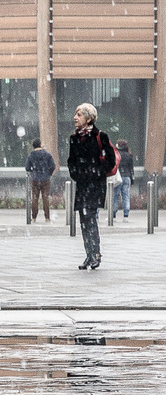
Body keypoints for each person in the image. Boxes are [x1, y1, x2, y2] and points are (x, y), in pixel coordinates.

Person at [67, 102, 115, 270]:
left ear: (88, 118)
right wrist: (76, 173)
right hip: (82, 185)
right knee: (83, 220)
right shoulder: (74, 138)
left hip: (95, 185)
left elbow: (110, 161)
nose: (75, 118)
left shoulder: (100, 136)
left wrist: (94, 173)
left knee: (90, 219)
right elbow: (71, 161)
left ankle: (95, 255)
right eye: (76, 114)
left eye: (79, 115)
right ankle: (89, 255)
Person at [25, 137, 56, 222]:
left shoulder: (31, 155)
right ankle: (47, 217)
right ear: (40, 144)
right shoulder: (47, 154)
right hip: (45, 179)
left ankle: (34, 217)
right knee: (45, 198)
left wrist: (33, 172)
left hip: (35, 179)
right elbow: (53, 166)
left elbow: (27, 168)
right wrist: (48, 173)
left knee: (35, 198)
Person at [113, 139, 134, 220]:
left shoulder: (116, 154)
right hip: (127, 177)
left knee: (115, 196)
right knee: (126, 196)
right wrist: (132, 180)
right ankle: (126, 214)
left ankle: (113, 214)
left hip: (118, 177)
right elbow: (131, 169)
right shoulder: (129, 155)